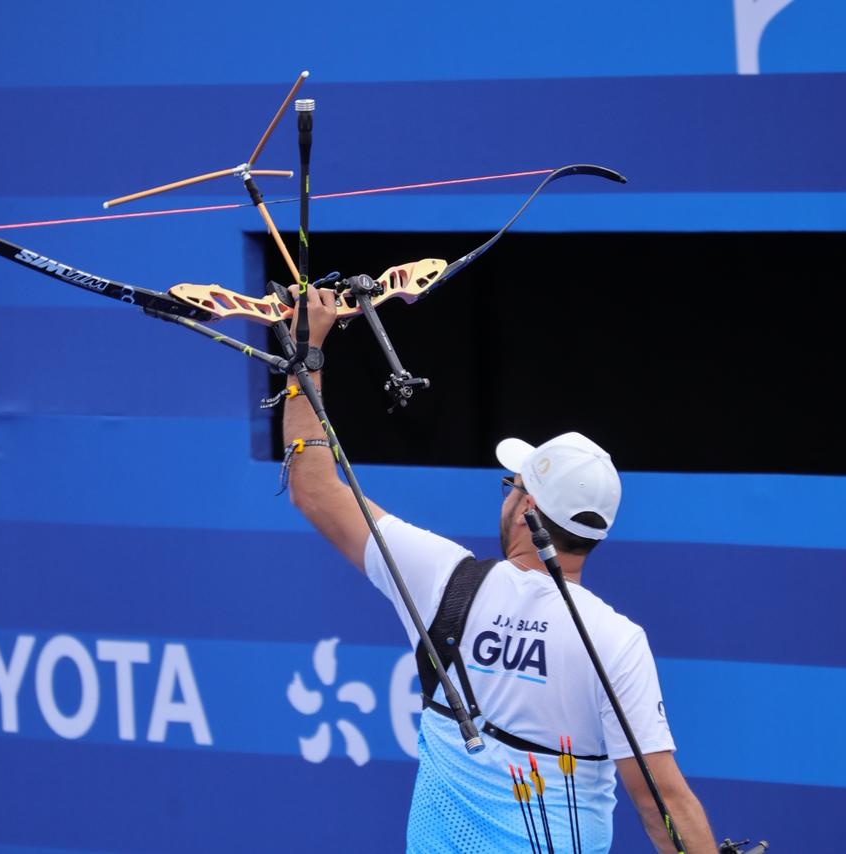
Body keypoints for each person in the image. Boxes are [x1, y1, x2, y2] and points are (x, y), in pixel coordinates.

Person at [282, 287, 716, 853]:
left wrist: (307, 354)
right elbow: (663, 807)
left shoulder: (446, 579)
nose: (507, 494)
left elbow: (314, 488)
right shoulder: (618, 640)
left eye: (513, 485)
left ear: (528, 508)